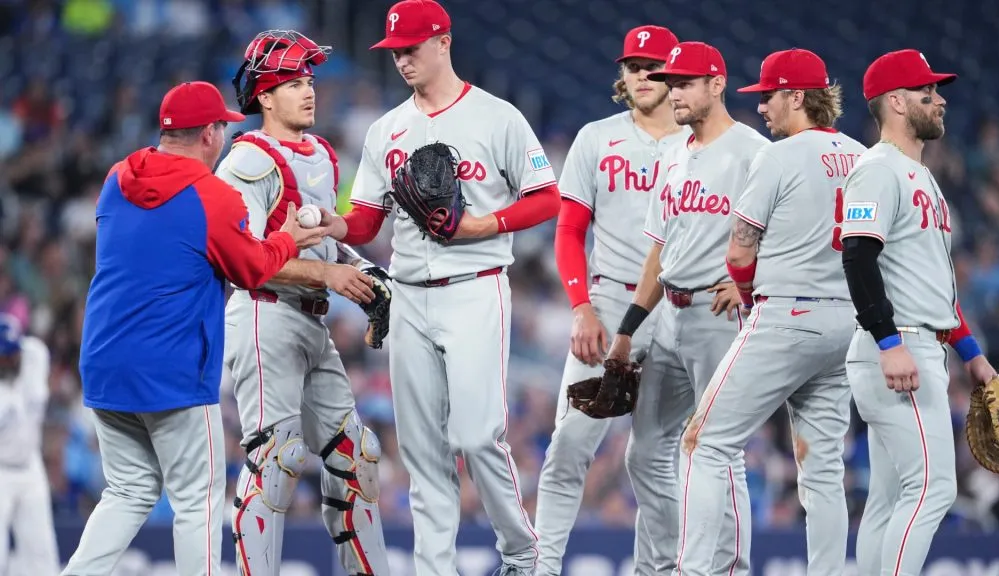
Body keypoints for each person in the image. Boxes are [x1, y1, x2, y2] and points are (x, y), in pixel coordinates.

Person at [335, 1, 561, 574]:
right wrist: (326, 224)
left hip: (476, 285)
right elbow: (364, 221)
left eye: (412, 48)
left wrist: (483, 224)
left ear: (444, 42)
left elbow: (546, 197)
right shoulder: (386, 128)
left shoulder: (497, 117)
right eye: (395, 52)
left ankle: (522, 551)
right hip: (408, 292)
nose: (403, 60)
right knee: (422, 453)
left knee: (479, 435)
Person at [63, 80, 323, 576]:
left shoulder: (117, 177)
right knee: (197, 499)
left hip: (104, 362)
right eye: (222, 126)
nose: (224, 135)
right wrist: (287, 239)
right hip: (171, 371)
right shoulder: (213, 195)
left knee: (129, 489)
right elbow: (251, 270)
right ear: (209, 134)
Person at [674, 48, 865, 575]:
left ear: (798, 96)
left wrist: (741, 284)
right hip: (846, 322)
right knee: (822, 469)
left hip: (787, 316)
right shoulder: (862, 155)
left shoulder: (777, 156)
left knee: (704, 443)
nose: (762, 108)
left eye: (770, 96)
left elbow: (739, 252)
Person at [217, 30, 391, 576]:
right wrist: (329, 273)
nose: (309, 91)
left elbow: (329, 243)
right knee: (277, 459)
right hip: (264, 312)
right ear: (264, 98)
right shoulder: (246, 161)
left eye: (310, 80)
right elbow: (240, 257)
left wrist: (361, 273)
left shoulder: (321, 154)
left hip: (311, 322)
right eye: (292, 83)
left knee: (356, 455)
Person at [532, 24, 687, 576]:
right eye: (632, 66)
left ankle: (659, 569)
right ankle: (542, 566)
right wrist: (581, 308)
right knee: (569, 445)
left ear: (675, 73)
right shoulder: (597, 137)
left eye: (652, 65)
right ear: (621, 76)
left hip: (678, 312)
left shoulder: (700, 144)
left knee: (653, 459)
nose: (642, 75)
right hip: (607, 304)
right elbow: (570, 231)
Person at [606, 41, 762, 576]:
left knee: (719, 450)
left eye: (687, 83)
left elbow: (790, 232)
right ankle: (669, 565)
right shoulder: (674, 153)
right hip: (668, 315)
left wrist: (749, 281)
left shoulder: (751, 152)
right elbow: (658, 248)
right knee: (646, 452)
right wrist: (628, 328)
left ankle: (730, 569)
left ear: (717, 85)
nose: (674, 91)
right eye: (672, 83)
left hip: (718, 319)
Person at [839, 49, 996, 576]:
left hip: (918, 343)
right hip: (898, 349)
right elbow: (857, 258)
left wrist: (972, 355)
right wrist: (889, 342)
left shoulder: (920, 177)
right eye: (928, 92)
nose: (940, 99)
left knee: (889, 499)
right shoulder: (878, 168)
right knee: (933, 487)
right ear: (897, 102)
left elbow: (932, 286)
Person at [0, 315, 59, 576]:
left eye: (13, 353)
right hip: (1, 470)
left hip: (31, 466)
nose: (10, 359)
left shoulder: (35, 354)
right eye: (4, 355)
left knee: (42, 554)